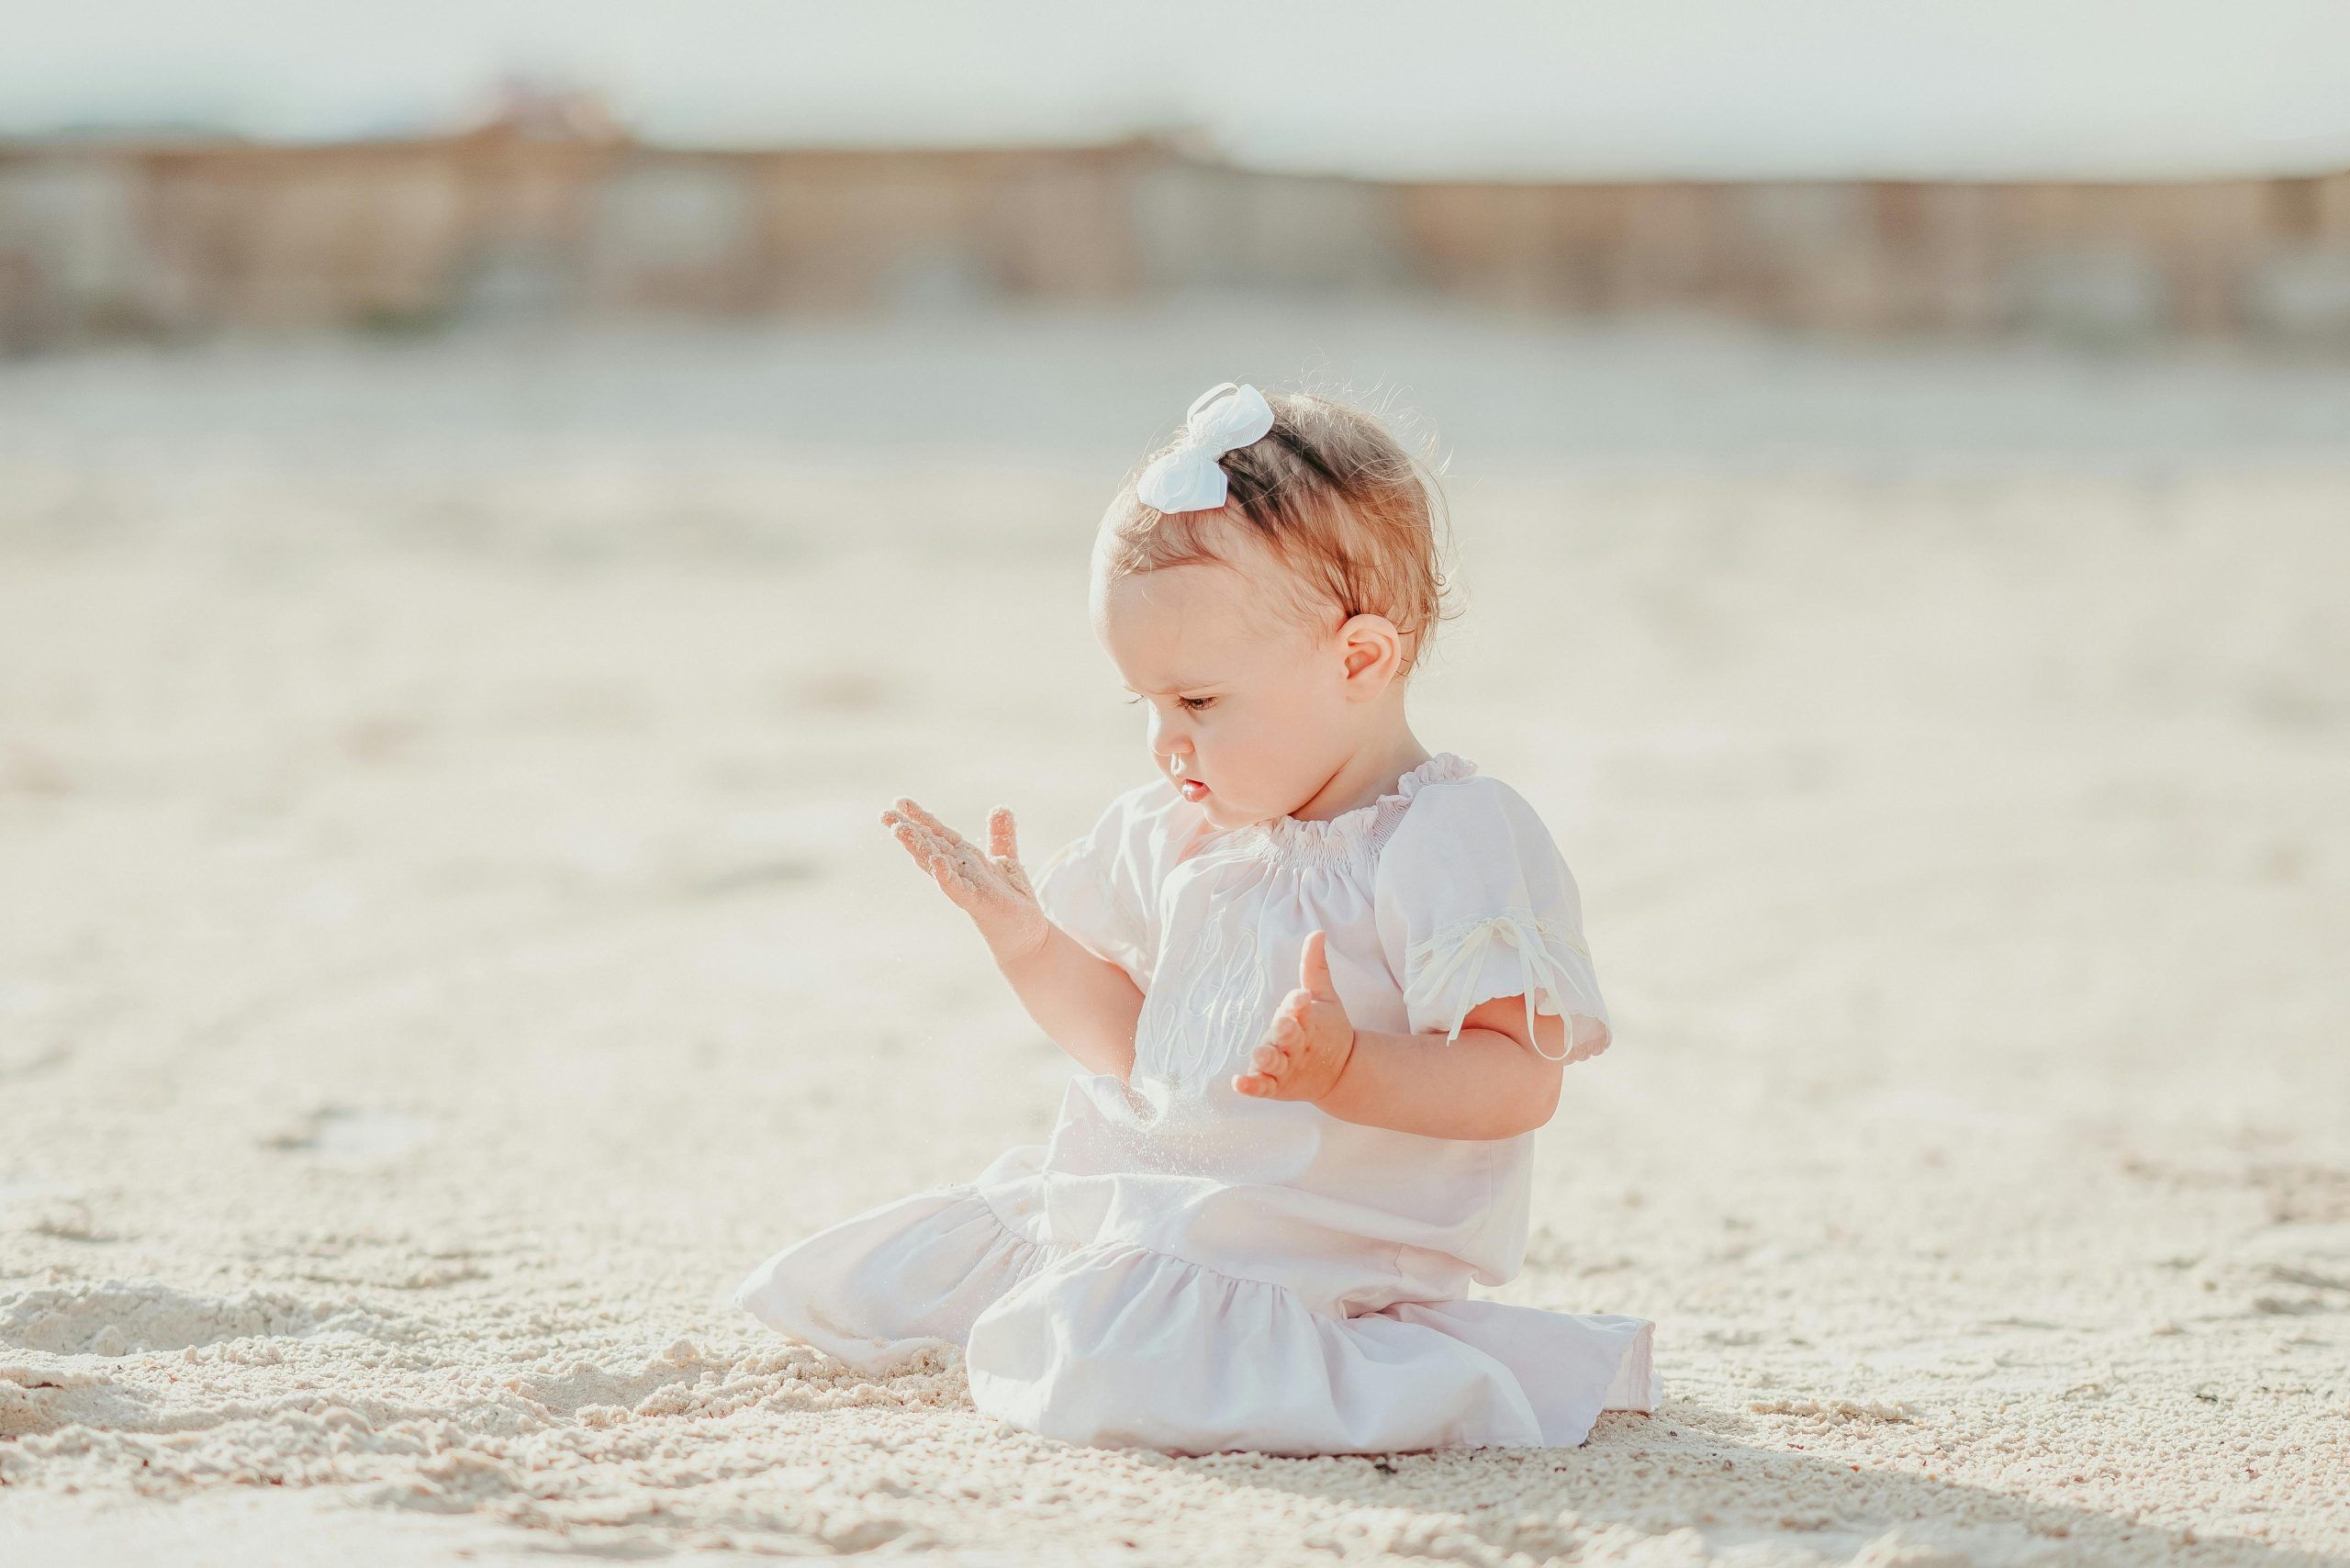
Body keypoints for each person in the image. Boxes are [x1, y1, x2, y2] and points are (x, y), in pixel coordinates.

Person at [734, 382, 1656, 1455]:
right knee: (896, 1280)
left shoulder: (1446, 838)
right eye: (1148, 704)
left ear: (1360, 659)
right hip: (1156, 1210)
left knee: (1118, 1359)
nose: (1165, 744)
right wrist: (1029, 943)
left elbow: (1518, 1079)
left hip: (1306, 1256)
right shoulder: (1180, 832)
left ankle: (1301, 1345)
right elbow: (1141, 1051)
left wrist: (1349, 1068)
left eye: (1199, 703)